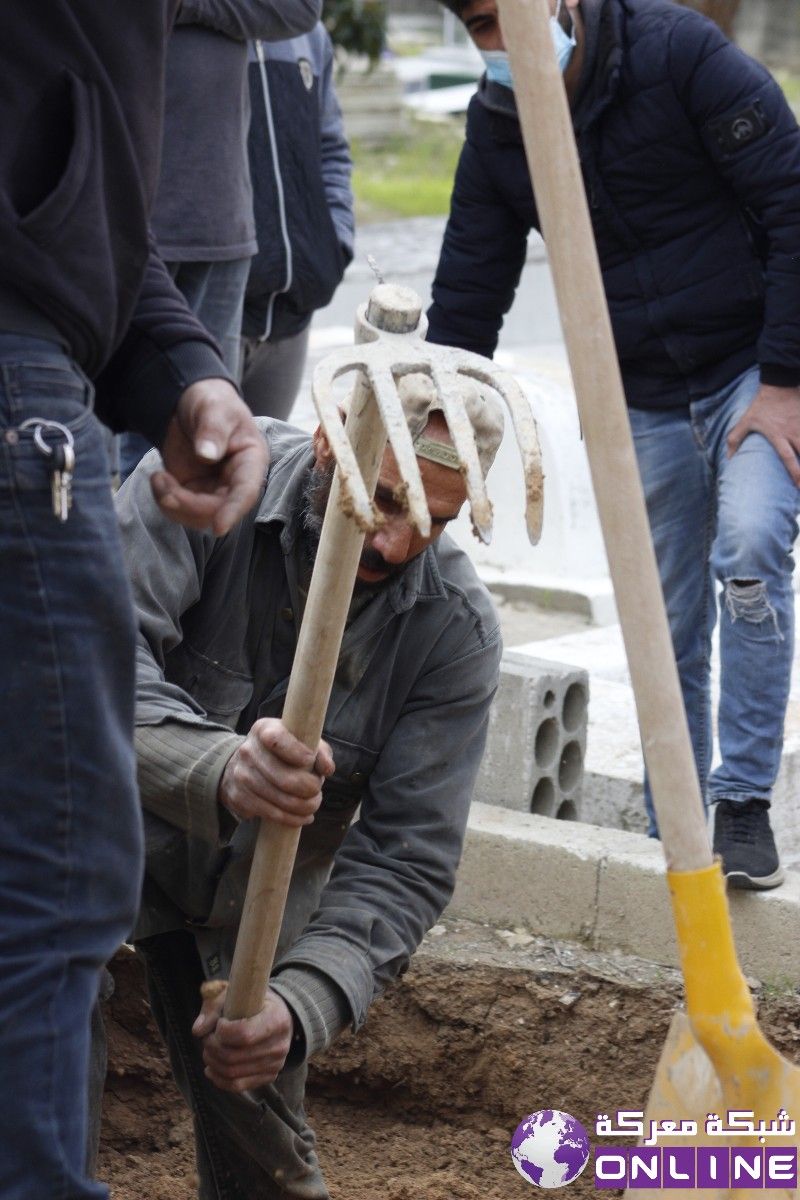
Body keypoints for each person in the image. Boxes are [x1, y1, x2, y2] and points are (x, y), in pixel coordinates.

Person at [426, 0, 800, 890]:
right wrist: (432, 421)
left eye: (508, 14)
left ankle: (742, 806)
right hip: (637, 398)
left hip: (753, 372)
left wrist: (787, 383)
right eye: (480, 27)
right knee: (661, 619)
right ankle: (672, 820)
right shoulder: (501, 126)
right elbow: (470, 285)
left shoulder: (676, 53)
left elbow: (793, 198)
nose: (503, 43)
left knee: (748, 551)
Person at [102, 376, 503, 1198]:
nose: (394, 543)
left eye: (432, 520)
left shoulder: (453, 631)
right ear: (329, 443)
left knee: (269, 1170)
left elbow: (407, 860)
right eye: (383, 499)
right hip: (100, 829)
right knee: (45, 1069)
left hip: (250, 904)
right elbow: (85, 674)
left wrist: (298, 1004)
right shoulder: (204, 489)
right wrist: (218, 767)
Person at [0, 6, 268, 1198]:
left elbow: (70, 170)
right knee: (50, 870)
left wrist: (174, 364)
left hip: (50, 354)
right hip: (16, 383)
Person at [118, 0, 322, 479]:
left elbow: (298, 9)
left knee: (211, 448)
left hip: (222, 221)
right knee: (136, 459)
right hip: (132, 220)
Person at [240, 23, 355, 420]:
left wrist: (333, 242)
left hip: (292, 316)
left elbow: (331, 148)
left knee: (267, 475)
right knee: (174, 474)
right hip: (206, 315)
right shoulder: (183, 19)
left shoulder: (306, 29)